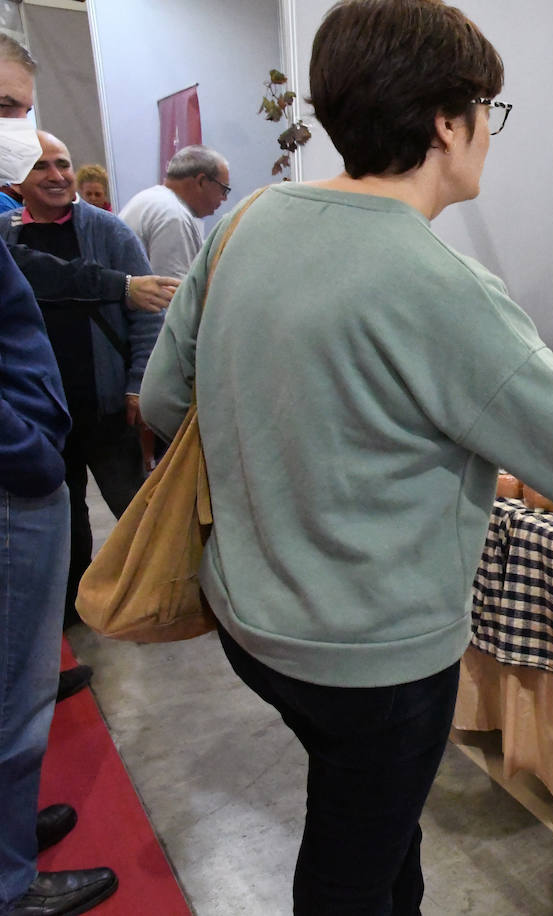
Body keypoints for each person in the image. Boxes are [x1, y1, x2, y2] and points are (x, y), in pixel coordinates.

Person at [139, 2, 553, 912]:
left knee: (375, 825)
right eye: (485, 113)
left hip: (250, 617)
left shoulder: (246, 222)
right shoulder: (442, 286)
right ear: (445, 123)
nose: (488, 136)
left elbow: (163, 403)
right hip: (372, 652)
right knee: (351, 863)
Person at [0, 33, 118, 916]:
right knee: (10, 700)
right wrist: (30, 448)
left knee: (21, 682)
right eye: (6, 110)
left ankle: (8, 830)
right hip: (16, 472)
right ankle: (9, 885)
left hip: (44, 449)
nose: (27, 138)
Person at [0, 130, 160, 628]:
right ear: (16, 181)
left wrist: (138, 383)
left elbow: (149, 314)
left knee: (137, 508)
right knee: (64, 520)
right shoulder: (8, 237)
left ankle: (160, 594)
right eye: (41, 167)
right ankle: (72, 607)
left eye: (63, 164)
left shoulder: (109, 231)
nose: (58, 175)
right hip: (41, 415)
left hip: (107, 405)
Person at [120, 145, 230, 279]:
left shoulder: (149, 199)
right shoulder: (173, 217)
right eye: (223, 189)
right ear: (201, 181)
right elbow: (173, 294)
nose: (224, 198)